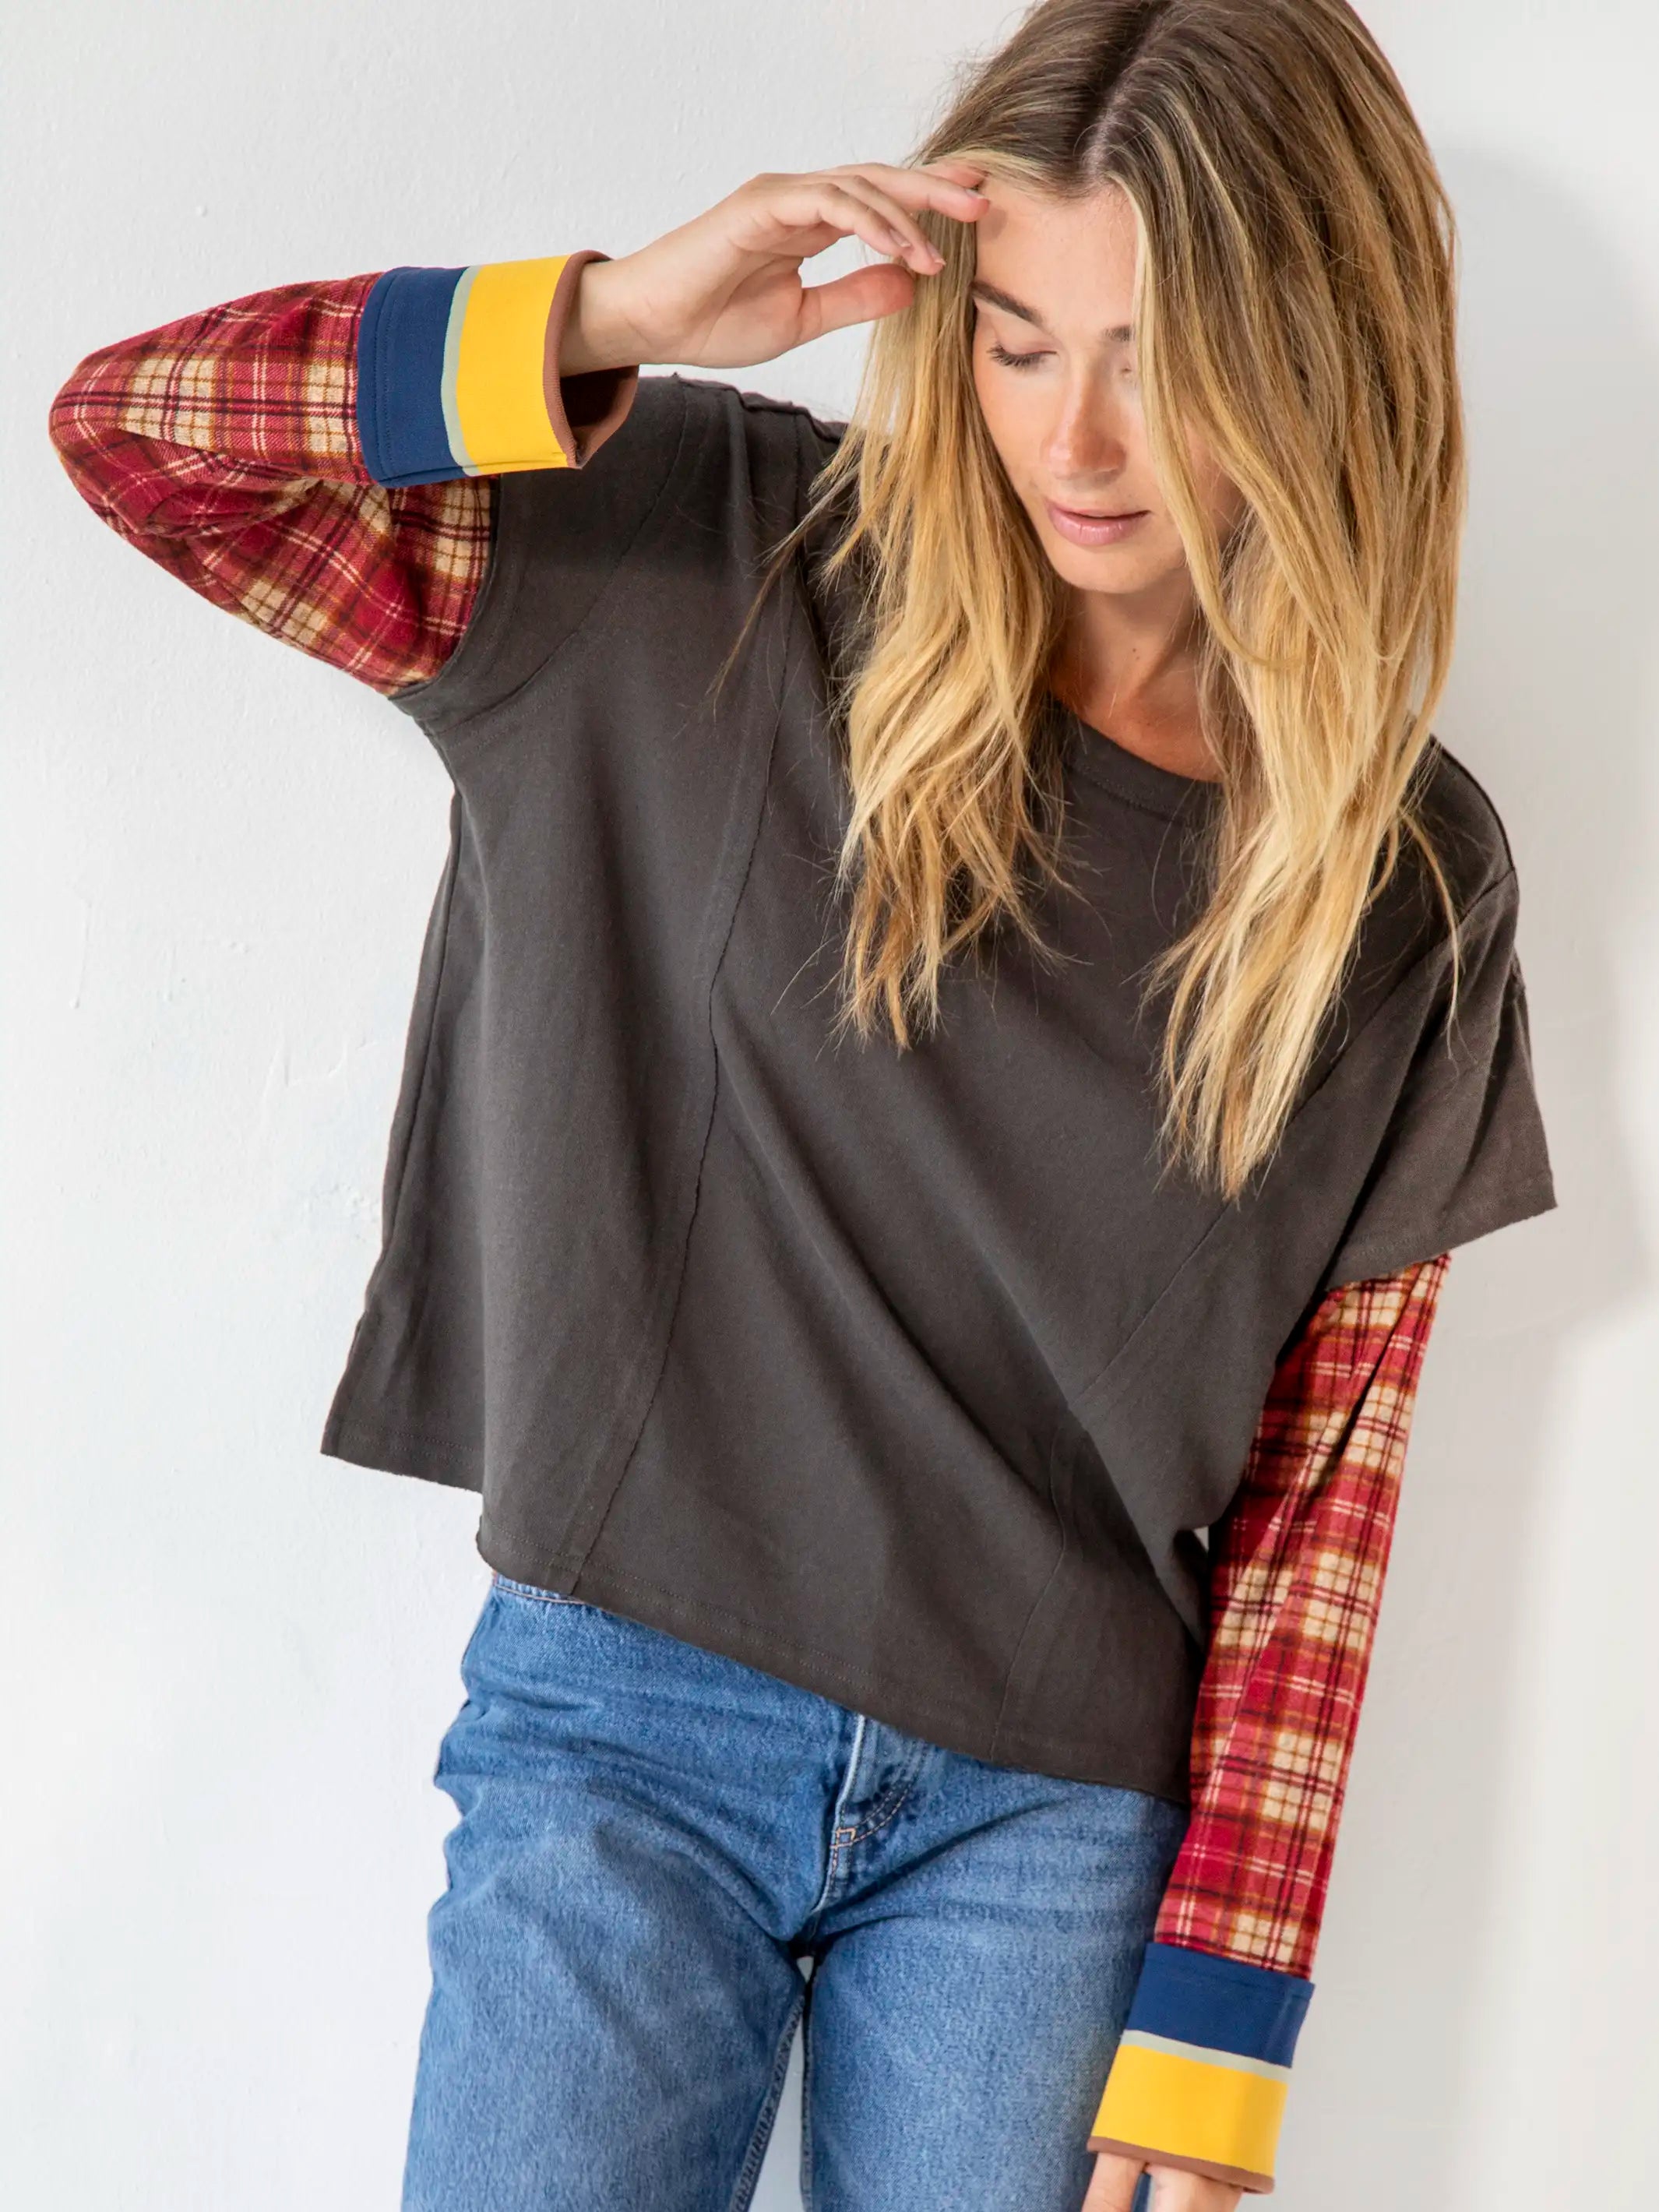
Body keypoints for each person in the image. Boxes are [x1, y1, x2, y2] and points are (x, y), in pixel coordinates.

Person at [48, 0, 1557, 2206]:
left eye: (1162, 360)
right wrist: (608, 318)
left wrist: (1221, 2030)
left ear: (1327, 361)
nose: (1076, 438)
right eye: (1017, 342)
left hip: (1053, 1824)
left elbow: (1325, 1490)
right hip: (621, 1723)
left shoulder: (1397, 867)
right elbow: (135, 436)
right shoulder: (682, 549)